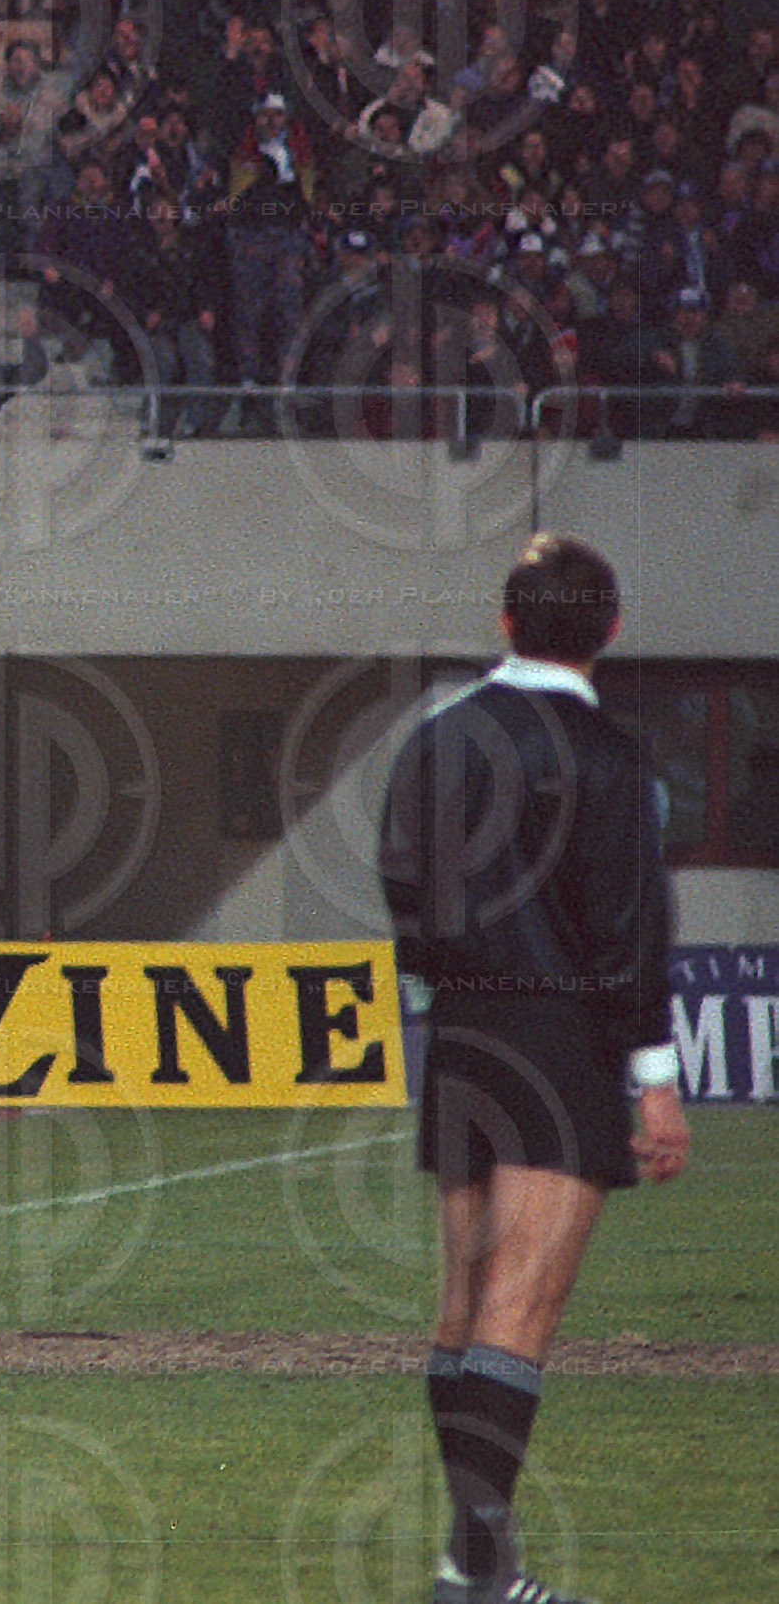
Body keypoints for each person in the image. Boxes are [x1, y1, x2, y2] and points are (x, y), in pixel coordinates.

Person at [377, 533, 691, 1604]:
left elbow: (402, 878)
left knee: (463, 1304)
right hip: (560, 1039)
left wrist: (438, 998)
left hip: (463, 1036)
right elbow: (629, 922)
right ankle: (477, 1572)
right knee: (520, 1310)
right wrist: (653, 1073)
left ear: (506, 621)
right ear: (609, 629)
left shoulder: (437, 735)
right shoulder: (609, 756)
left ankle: (473, 1564)